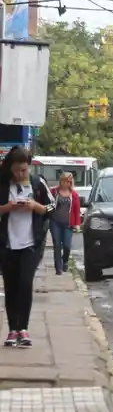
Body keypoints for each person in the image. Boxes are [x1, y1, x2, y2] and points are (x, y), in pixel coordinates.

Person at [0, 146, 55, 348]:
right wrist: (8, 208)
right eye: (16, 171)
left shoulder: (37, 183)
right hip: (7, 243)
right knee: (11, 286)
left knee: (25, 283)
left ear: (29, 167)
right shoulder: (4, 184)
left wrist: (36, 207)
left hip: (31, 243)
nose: (20, 174)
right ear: (10, 169)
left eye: (24, 170)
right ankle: (12, 330)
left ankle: (23, 328)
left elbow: (53, 206)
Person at [48, 170, 82, 275]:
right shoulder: (54, 192)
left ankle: (65, 261)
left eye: (68, 182)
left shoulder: (74, 195)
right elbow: (47, 204)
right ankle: (58, 267)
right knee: (57, 244)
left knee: (67, 245)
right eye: (63, 181)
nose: (65, 184)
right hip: (55, 222)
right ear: (60, 181)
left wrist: (77, 224)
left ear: (70, 183)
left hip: (68, 223)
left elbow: (76, 210)